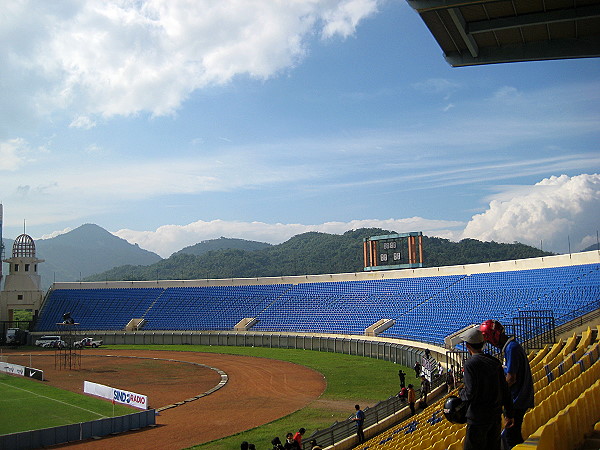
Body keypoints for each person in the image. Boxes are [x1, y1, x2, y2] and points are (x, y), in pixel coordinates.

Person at [480, 320, 534, 449]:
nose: (489, 343)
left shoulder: (512, 349)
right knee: (513, 436)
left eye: (488, 339)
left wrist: (496, 391)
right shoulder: (511, 347)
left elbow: (511, 378)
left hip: (517, 399)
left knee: (510, 438)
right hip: (518, 398)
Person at [459, 326, 514, 450]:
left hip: (477, 419)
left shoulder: (470, 364)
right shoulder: (494, 362)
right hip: (494, 417)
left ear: (468, 346)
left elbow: (470, 392)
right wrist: (509, 413)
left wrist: (460, 393)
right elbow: (505, 390)